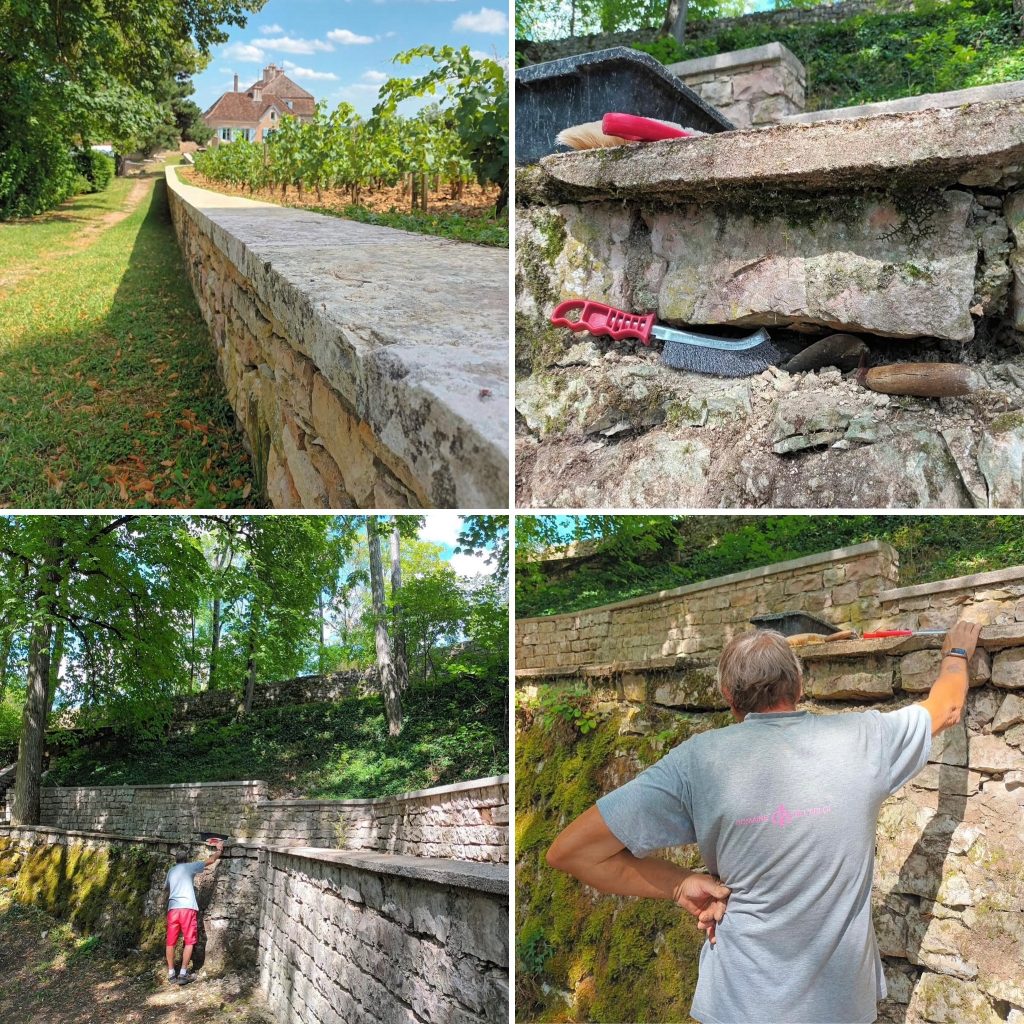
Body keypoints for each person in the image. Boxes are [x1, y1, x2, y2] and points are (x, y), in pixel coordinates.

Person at [546, 620, 983, 1024]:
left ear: (727, 695)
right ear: (799, 685)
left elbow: (572, 851)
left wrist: (679, 884)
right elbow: (945, 707)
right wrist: (957, 651)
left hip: (738, 1003)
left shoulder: (696, 763)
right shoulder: (865, 737)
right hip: (840, 1006)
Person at [164, 838, 224, 984]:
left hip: (173, 909)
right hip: (187, 908)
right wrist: (219, 850)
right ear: (186, 860)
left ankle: (171, 973)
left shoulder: (171, 871)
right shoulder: (190, 867)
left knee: (170, 942)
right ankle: (183, 973)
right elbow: (210, 861)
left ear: (176, 860)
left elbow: (166, 888)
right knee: (189, 941)